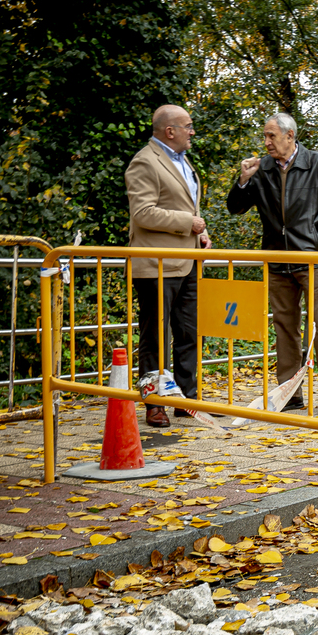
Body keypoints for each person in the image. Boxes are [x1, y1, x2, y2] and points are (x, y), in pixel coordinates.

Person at [227, 113, 318, 416]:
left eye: (271, 136)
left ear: (290, 136)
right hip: (277, 260)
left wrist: (316, 245)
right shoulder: (262, 168)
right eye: (265, 136)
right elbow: (235, 207)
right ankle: (289, 392)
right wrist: (243, 179)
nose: (266, 142)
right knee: (285, 328)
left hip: (312, 261)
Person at [126, 104, 212, 428]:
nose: (192, 131)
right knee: (155, 337)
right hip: (155, 264)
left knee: (189, 332)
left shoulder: (182, 161)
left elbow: (188, 208)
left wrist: (201, 233)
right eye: (188, 126)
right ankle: (155, 402)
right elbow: (143, 213)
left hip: (187, 261)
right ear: (169, 131)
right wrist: (188, 223)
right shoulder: (144, 161)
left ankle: (186, 399)